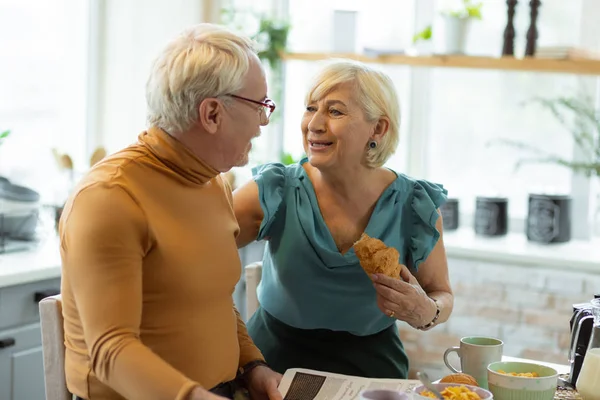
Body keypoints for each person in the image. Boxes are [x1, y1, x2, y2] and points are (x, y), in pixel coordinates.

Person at [59, 23, 281, 400]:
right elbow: (110, 350)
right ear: (212, 114)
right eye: (261, 105)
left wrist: (252, 366)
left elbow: (213, 301)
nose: (263, 124)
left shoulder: (212, 182)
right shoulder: (110, 197)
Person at [233, 59, 454, 379]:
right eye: (311, 108)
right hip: (270, 363)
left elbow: (441, 294)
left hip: (372, 368)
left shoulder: (413, 205)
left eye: (335, 111)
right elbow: (202, 246)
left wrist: (426, 311)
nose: (314, 124)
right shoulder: (275, 190)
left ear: (378, 128)